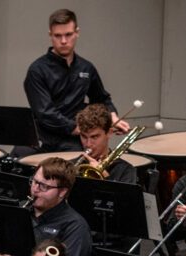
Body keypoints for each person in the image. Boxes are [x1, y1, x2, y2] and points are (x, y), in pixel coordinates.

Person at [24, 8, 128, 153]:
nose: (64, 41)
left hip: (75, 141)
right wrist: (78, 128)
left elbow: (101, 99)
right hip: (45, 140)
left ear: (77, 32)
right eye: (57, 36)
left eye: (68, 34)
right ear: (50, 35)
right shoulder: (37, 70)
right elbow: (45, 113)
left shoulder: (86, 68)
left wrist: (113, 117)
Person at [0, 157, 92, 256]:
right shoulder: (19, 209)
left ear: (62, 192)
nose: (35, 190)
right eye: (34, 182)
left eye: (44, 186)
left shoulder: (75, 226)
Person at [73, 104, 137, 184]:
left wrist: (105, 177)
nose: (88, 144)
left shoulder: (125, 171)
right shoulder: (72, 166)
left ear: (109, 133)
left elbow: (123, 197)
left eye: (94, 137)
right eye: (84, 136)